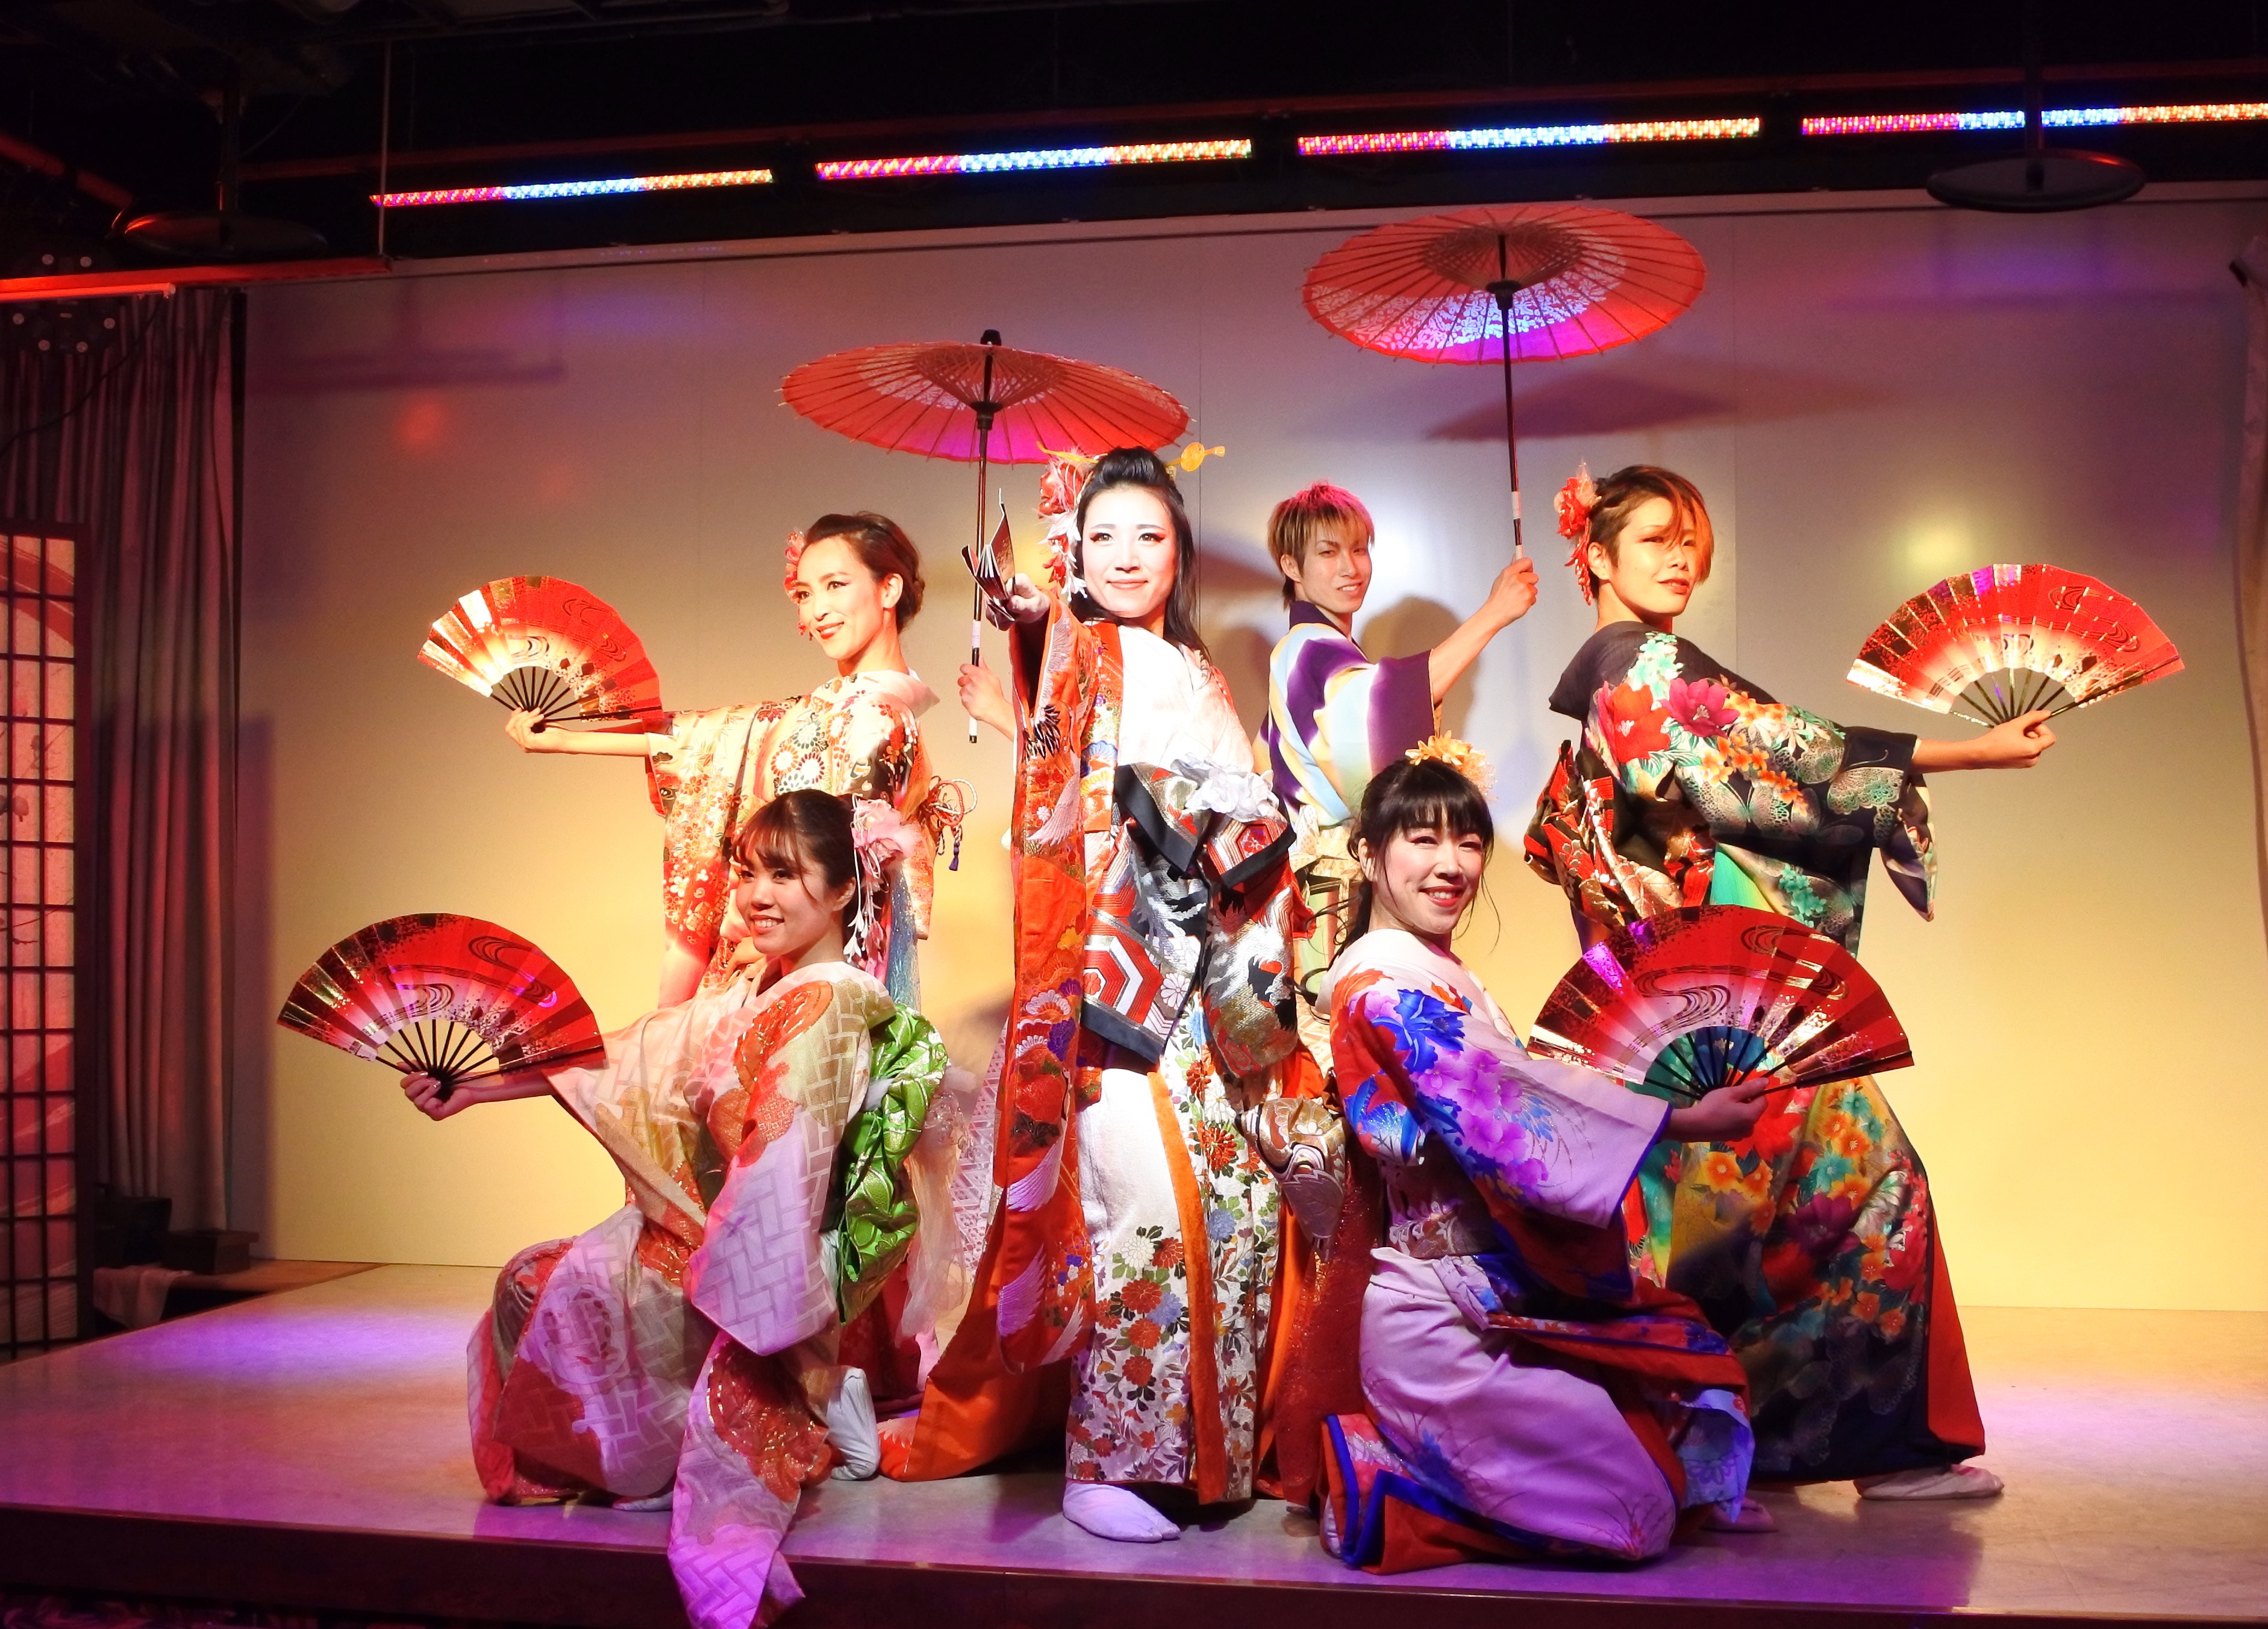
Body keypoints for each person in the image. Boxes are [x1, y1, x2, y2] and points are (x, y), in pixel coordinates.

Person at [1526, 463, 2052, 1498]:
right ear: (1596, 555)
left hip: (1691, 1004)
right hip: (1730, 1001)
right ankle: (1871, 1448)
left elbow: (1758, 766)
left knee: (1736, 1225)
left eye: (1690, 542)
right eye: (1654, 539)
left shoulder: (1617, 682)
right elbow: (1793, 753)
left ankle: (1717, 1436)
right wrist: (1968, 753)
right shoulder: (1640, 670)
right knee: (1870, 1187)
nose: (1680, 559)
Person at [416, 790, 960, 1629]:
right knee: (534, 1277)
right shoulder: (760, 990)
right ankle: (800, 1402)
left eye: (784, 873)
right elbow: (631, 1055)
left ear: (842, 889)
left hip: (759, 1261)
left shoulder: (828, 1006)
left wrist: (752, 1297)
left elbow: (787, 1162)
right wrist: (481, 1086)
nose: (755, 894)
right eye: (748, 872)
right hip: (720, 1236)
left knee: (538, 1283)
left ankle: (777, 1400)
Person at [896, 446, 1312, 1545]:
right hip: (1111, 976)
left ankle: (1210, 1455)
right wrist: (1033, 619)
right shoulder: (1084, 646)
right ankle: (1108, 1459)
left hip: (1202, 972)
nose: (1126, 555)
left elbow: (1240, 803)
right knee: (1139, 1211)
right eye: (1103, 536)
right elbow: (1060, 689)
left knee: (1237, 1204)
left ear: (1179, 554)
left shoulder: (1195, 669)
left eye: (1149, 536)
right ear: (1072, 552)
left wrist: (1245, 837)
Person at [1320, 752, 1774, 1569]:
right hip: (1441, 1307)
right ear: (1366, 853)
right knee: (1632, 1517)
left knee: (1685, 1384)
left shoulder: (1440, 970)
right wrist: (1679, 1121)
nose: (1451, 864)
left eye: (1468, 842)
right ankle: (1386, 1476)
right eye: (1422, 839)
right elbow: (1500, 1103)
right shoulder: (1381, 984)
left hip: (1504, 1283)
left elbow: (1522, 1088)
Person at [505, 513, 964, 1008]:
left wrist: (766, 943)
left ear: (889, 589)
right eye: (805, 593)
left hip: (805, 957)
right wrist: (565, 740)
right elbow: (710, 737)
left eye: (836, 585)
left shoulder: (875, 716)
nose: (818, 611)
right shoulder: (833, 707)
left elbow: (848, 871)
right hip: (784, 942)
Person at [1255, 482, 1539, 1065]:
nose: (1351, 567)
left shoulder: (1325, 651)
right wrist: (1493, 614)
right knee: (1350, 1054)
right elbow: (1377, 717)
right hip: (1331, 895)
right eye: (1328, 552)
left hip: (1340, 887)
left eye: (1360, 550)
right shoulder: (1307, 648)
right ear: (1291, 565)